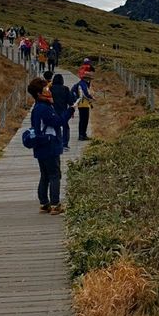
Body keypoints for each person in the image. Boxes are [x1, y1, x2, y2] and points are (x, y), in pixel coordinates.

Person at [27, 76, 64, 215]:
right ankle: (55, 204)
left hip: (40, 145)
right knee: (55, 175)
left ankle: (44, 203)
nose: (49, 91)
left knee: (45, 175)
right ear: (39, 93)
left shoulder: (37, 107)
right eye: (46, 89)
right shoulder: (45, 108)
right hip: (50, 144)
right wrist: (70, 111)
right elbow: (58, 122)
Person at [51, 74, 75, 149]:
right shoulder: (65, 89)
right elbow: (70, 101)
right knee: (65, 127)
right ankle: (64, 144)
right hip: (63, 110)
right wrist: (71, 111)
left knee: (55, 127)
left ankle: (56, 142)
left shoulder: (50, 89)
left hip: (53, 111)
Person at [72, 72, 95, 141]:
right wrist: (91, 98)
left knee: (84, 120)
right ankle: (82, 135)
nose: (90, 80)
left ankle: (83, 134)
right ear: (87, 78)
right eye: (90, 79)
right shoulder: (83, 84)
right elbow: (85, 93)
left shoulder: (83, 83)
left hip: (83, 103)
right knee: (83, 120)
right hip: (83, 104)